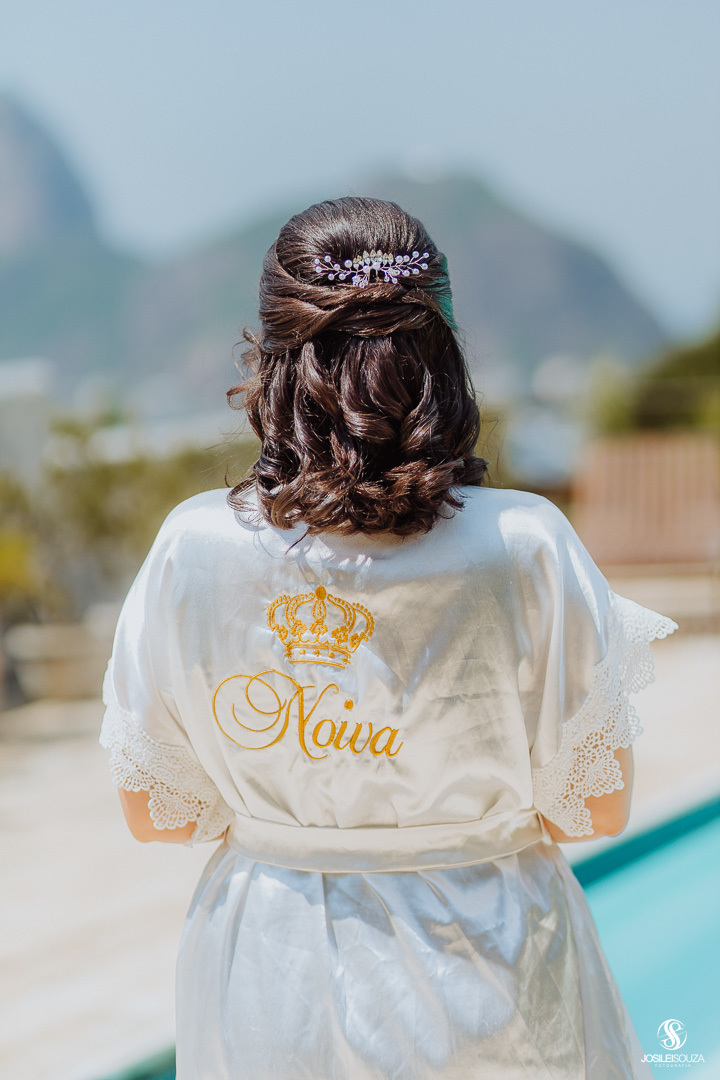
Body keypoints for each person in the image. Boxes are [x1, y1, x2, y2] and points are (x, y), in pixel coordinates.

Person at [100, 197, 677, 1080]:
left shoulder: (196, 547)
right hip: (496, 959)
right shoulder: (524, 543)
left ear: (274, 357)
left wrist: (297, 810)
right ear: (443, 351)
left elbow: (156, 813)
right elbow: (593, 807)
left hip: (272, 964)